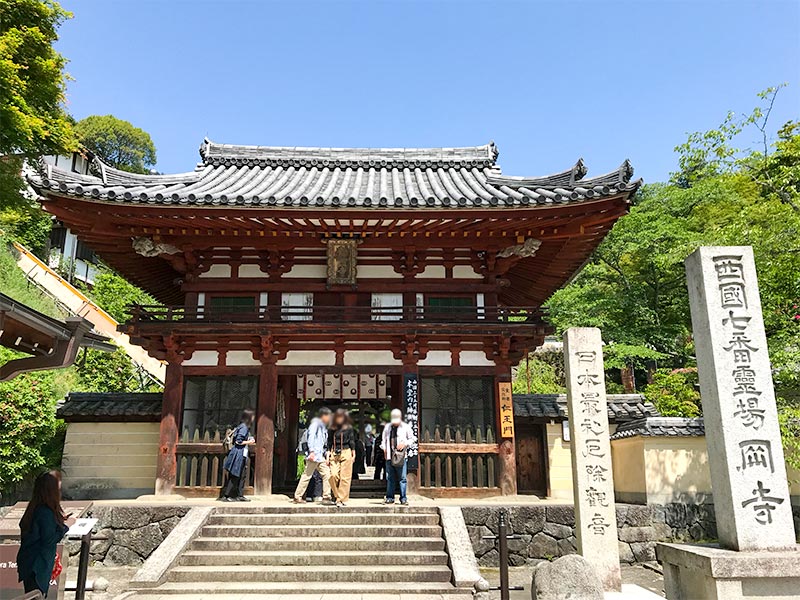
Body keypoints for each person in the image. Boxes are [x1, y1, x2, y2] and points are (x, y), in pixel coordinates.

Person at [17, 471, 72, 596]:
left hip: (29, 562)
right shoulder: (45, 512)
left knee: (33, 595)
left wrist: (58, 522)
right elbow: (49, 539)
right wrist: (66, 526)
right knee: (37, 595)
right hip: (38, 565)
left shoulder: (34, 508)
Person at [293, 407, 333, 503]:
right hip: (314, 455)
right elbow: (310, 438)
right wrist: (311, 451)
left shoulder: (323, 427)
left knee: (327, 474)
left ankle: (327, 496)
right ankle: (297, 496)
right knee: (307, 475)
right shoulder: (315, 424)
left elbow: (323, 442)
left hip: (320, 456)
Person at [381, 409, 416, 505]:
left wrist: (404, 444)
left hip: (401, 455)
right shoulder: (388, 427)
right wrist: (384, 449)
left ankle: (403, 498)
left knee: (402, 478)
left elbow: (412, 438)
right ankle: (390, 497)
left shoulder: (405, 427)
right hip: (389, 454)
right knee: (390, 477)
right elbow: (384, 440)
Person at [221, 409, 256, 501]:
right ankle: (227, 495)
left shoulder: (242, 426)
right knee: (235, 475)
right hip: (238, 453)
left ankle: (239, 495)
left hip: (241, 453)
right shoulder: (244, 427)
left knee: (242, 475)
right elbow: (238, 441)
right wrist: (249, 442)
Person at [328, 408, 356, 507]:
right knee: (333, 475)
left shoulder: (348, 428)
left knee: (345, 477)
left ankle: (341, 499)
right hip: (334, 451)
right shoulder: (332, 428)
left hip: (346, 451)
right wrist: (328, 453)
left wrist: (353, 453)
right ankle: (336, 495)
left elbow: (352, 441)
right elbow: (329, 441)